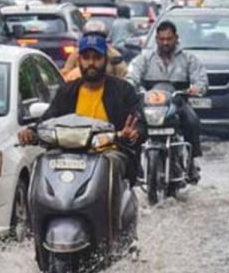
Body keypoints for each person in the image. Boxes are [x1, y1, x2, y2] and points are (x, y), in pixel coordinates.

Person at [18, 32, 145, 182]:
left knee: (111, 164)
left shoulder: (123, 91)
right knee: (43, 163)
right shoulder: (67, 92)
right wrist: (32, 132)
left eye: (96, 58)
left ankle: (108, 205)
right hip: (68, 156)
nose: (91, 63)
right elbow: (49, 118)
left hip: (108, 153)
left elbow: (139, 124)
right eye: (86, 58)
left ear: (105, 60)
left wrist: (133, 133)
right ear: (79, 61)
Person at [127, 20, 207, 183]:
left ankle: (191, 163)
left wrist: (196, 88)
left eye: (169, 39)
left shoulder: (188, 58)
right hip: (150, 106)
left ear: (176, 38)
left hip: (177, 104)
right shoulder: (145, 58)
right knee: (133, 128)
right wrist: (130, 87)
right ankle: (134, 167)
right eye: (162, 39)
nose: (165, 42)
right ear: (156, 39)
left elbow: (201, 80)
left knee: (192, 122)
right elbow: (132, 76)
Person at [61, 20, 128, 81]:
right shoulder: (77, 53)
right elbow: (67, 73)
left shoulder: (113, 53)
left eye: (98, 57)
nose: (91, 62)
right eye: (86, 57)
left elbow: (123, 74)